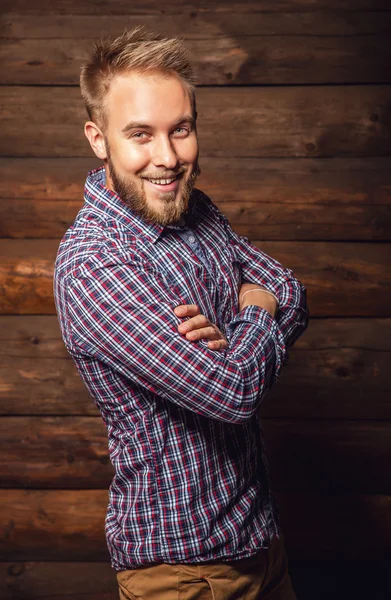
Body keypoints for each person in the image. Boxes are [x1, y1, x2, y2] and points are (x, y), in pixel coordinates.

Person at [54, 27, 309, 600]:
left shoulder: (197, 211)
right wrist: (256, 310)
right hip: (182, 574)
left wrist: (250, 316)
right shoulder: (94, 266)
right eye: (140, 135)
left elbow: (289, 289)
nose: (167, 158)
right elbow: (234, 391)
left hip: (263, 545)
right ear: (99, 139)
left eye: (182, 130)